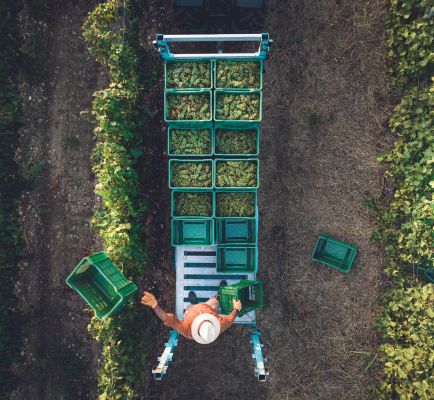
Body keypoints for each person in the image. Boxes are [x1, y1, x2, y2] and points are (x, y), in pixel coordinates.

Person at [141, 281, 242, 345]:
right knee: (216, 301)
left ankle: (193, 303)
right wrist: (237, 309)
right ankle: (220, 295)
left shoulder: (187, 331)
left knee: (189, 308)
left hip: (191, 311)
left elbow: (167, 319)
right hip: (209, 307)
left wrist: (155, 306)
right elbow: (229, 320)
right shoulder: (219, 325)